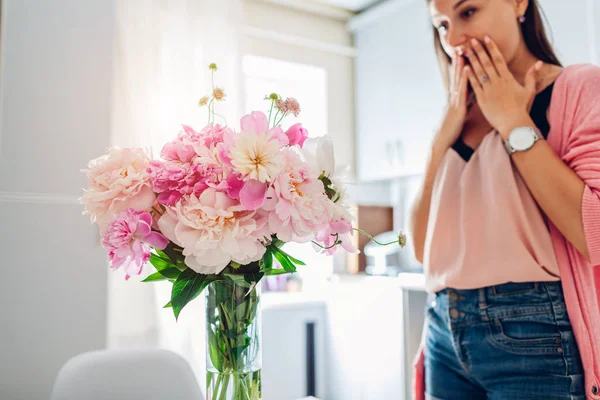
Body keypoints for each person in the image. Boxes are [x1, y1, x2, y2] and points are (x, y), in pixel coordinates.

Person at [408, 0, 600, 398]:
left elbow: (593, 234)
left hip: (535, 331)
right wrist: (439, 142)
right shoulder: (456, 114)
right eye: (442, 26)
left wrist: (513, 121)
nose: (454, 39)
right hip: (444, 330)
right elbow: (424, 251)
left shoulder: (578, 87)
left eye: (467, 12)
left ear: (517, 3)